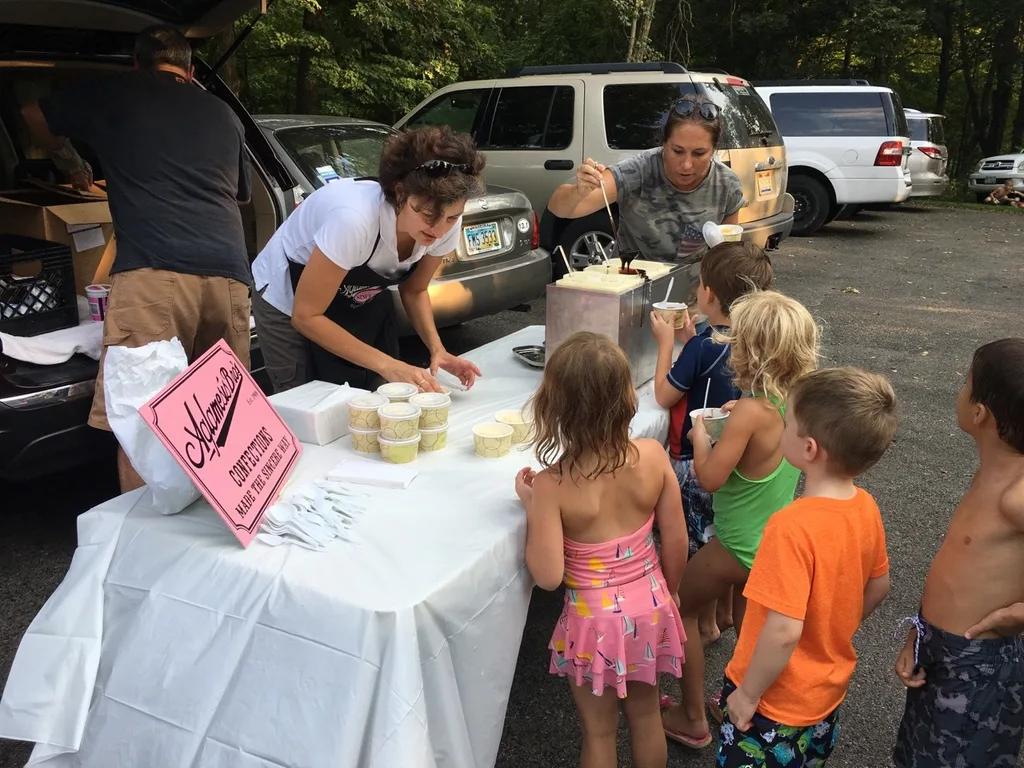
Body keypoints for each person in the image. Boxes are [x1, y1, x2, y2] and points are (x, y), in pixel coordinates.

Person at [20, 25, 253, 495]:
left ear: (135, 63)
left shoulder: (116, 92)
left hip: (155, 275)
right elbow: (242, 195)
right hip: (230, 278)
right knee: (225, 419)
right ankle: (225, 529)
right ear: (189, 70)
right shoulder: (224, 114)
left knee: (141, 416)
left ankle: (147, 548)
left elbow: (30, 114)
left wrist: (68, 158)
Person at [513, 331, 689, 768]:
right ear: (627, 396)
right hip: (650, 608)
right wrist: (674, 591)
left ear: (554, 408)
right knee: (647, 716)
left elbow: (549, 575)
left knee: (599, 732)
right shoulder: (652, 455)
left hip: (595, 624)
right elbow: (678, 538)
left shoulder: (553, 484)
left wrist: (533, 505)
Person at [661, 290, 820, 748]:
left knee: (680, 607)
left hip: (737, 544)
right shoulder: (795, 400)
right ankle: (740, 703)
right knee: (752, 631)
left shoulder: (749, 412)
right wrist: (738, 417)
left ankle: (692, 719)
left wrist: (702, 436)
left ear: (749, 352)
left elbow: (709, 478)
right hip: (775, 543)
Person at [717, 367, 897, 767]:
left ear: (810, 449)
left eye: (788, 422)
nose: (782, 427)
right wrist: (831, 627)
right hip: (824, 693)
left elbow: (783, 630)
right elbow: (879, 585)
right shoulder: (865, 507)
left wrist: (746, 695)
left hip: (772, 701)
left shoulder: (790, 526)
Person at [250, 125, 483, 394]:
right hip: (287, 298)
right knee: (306, 397)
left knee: (367, 390)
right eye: (427, 214)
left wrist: (437, 349)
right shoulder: (354, 220)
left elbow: (415, 289)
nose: (440, 229)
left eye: (452, 218)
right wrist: (388, 365)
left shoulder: (446, 221)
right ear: (400, 193)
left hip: (352, 296)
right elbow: (306, 316)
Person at [893, 338, 1024, 768]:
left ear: (979, 412)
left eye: (965, 382)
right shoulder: (992, 470)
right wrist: (919, 630)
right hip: (941, 649)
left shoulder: (1016, 494)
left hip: (980, 666)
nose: (960, 388)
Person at [650, 241, 774, 644]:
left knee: (697, 549)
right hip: (736, 459)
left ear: (709, 295)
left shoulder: (705, 345)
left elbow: (664, 396)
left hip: (693, 460)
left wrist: (668, 343)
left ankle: (701, 622)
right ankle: (720, 614)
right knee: (719, 538)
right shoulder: (759, 343)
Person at [547, 94, 746, 298]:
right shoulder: (638, 171)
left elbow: (726, 254)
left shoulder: (727, 185)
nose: (686, 164)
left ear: (714, 150)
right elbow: (559, 207)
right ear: (663, 143)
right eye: (677, 151)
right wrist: (579, 191)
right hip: (632, 298)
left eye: (699, 154)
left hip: (694, 303)